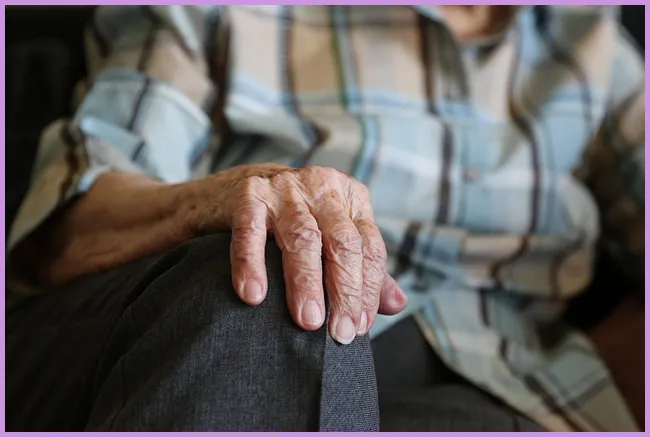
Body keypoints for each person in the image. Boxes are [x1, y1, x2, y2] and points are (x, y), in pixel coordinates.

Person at [6, 5, 643, 431]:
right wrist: (230, 198)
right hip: (237, 348)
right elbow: (71, 221)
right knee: (270, 263)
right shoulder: (219, 11)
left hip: (512, 386)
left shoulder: (593, 44)